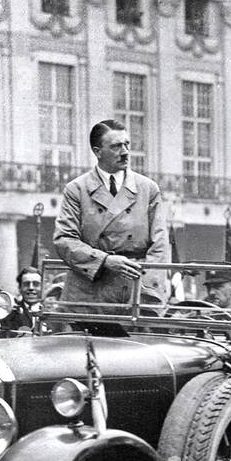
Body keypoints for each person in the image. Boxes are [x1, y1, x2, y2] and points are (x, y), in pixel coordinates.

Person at [54, 118, 169, 316]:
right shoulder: (77, 190)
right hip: (89, 290)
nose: (125, 152)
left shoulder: (148, 189)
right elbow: (64, 240)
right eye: (116, 146)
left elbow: (159, 244)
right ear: (98, 152)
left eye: (127, 144)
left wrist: (149, 290)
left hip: (133, 288)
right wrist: (105, 260)